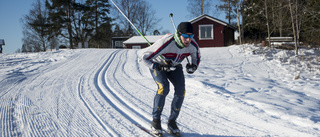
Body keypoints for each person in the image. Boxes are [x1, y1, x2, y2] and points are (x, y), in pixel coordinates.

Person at [139, 22, 201, 136]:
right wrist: (156, 66)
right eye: (186, 36)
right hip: (158, 63)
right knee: (164, 87)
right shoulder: (166, 43)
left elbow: (196, 57)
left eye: (191, 36)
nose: (188, 39)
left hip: (175, 65)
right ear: (179, 34)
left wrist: (193, 67)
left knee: (181, 90)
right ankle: (156, 121)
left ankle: (172, 122)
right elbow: (142, 57)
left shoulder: (193, 45)